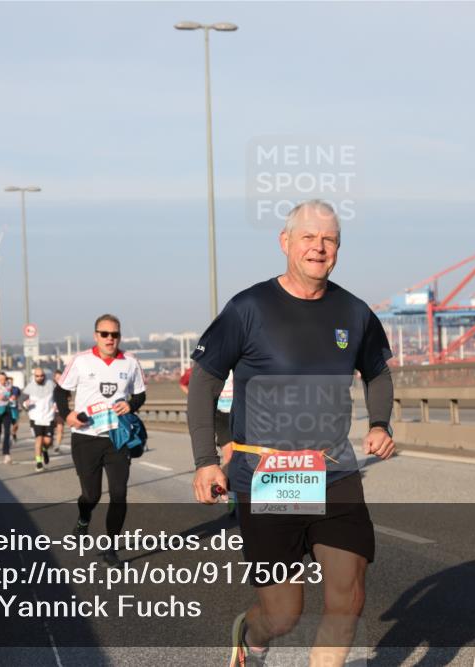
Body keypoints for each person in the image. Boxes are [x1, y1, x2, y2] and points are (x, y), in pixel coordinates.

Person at [187, 200, 395, 667]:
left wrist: (380, 423)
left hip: (333, 469)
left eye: (329, 240)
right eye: (308, 237)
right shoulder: (248, 308)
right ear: (285, 243)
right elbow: (204, 381)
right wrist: (205, 460)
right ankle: (252, 636)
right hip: (268, 475)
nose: (319, 248)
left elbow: (377, 373)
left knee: (348, 594)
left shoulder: (355, 311)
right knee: (283, 614)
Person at [53, 313, 146, 567]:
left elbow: (140, 395)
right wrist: (67, 415)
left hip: (117, 437)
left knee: (118, 493)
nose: (110, 339)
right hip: (86, 437)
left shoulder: (130, 361)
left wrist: (130, 405)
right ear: (96, 336)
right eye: (104, 334)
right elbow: (60, 391)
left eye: (114, 334)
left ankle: (111, 548)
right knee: (91, 496)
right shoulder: (81, 361)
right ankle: (83, 519)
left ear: (119, 336)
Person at [22, 368, 56, 471]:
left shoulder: (51, 385)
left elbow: (57, 398)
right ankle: (38, 462)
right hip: (35, 417)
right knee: (39, 439)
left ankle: (44, 449)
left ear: (44, 376)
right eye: (37, 376)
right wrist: (25, 404)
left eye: (41, 376)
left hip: (49, 416)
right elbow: (22, 401)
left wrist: (56, 405)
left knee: (48, 441)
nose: (39, 378)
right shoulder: (30, 387)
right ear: (34, 376)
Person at [52, 369, 65, 454]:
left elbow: (69, 398)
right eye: (57, 378)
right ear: (54, 378)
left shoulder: (65, 387)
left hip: (60, 411)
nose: (58, 379)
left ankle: (57, 446)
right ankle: (49, 441)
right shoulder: (50, 387)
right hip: (50, 412)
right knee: (50, 430)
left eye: (60, 377)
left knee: (60, 429)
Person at [7, 376, 22, 441]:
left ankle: (13, 432)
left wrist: (16, 398)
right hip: (7, 408)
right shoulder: (4, 389)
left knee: (16, 424)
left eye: (11, 381)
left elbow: (19, 396)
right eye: (8, 382)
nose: (10, 383)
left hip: (14, 408)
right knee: (7, 423)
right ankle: (8, 435)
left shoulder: (16, 389)